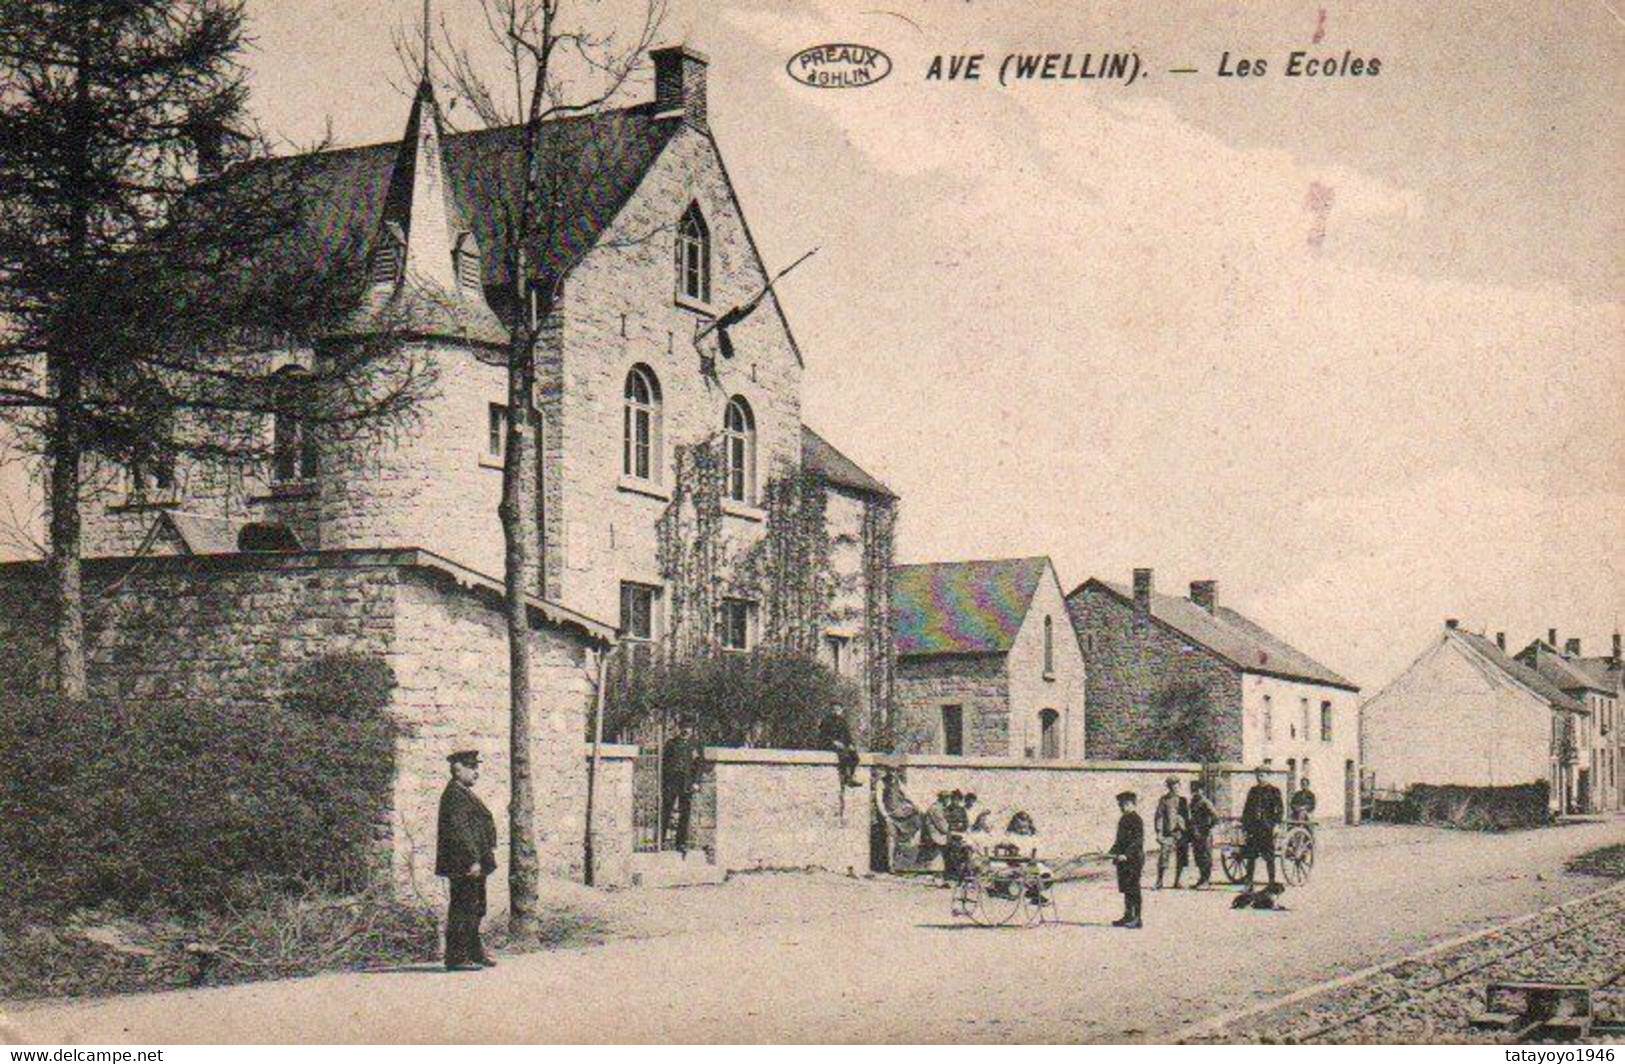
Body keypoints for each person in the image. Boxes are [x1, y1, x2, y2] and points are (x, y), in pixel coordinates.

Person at [435, 750, 498, 971]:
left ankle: (473, 952)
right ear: (457, 768)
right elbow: (460, 831)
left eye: (476, 767)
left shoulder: (463, 792)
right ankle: (456, 957)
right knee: (463, 907)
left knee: (476, 906)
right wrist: (473, 859)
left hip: (474, 862)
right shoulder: (454, 795)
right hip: (464, 863)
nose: (476, 772)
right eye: (471, 767)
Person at [1241, 766, 1284, 891]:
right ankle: (1249, 883)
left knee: (1269, 857)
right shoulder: (1253, 791)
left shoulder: (1274, 791)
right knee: (1250, 856)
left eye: (1262, 775)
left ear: (1268, 776)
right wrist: (1245, 825)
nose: (1259, 778)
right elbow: (1247, 809)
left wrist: (1276, 825)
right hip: (1253, 828)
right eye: (1257, 775)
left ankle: (1271, 882)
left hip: (1267, 828)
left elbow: (1279, 810)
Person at [661, 716, 700, 853]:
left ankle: (681, 843)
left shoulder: (695, 744)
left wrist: (696, 782)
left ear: (692, 729)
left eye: (688, 728)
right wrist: (664, 782)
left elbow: (698, 766)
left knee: (685, 812)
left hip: (687, 783)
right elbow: (664, 764)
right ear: (679, 728)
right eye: (683, 727)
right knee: (666, 810)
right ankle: (660, 840)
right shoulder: (671, 744)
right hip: (672, 782)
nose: (686, 730)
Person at [1108, 790, 1145, 928]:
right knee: (1126, 888)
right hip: (1122, 859)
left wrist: (1126, 855)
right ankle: (1128, 915)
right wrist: (1111, 852)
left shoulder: (1136, 819)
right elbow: (1119, 841)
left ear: (1131, 804)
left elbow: (1137, 841)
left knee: (1133, 888)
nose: (1121, 807)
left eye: (1123, 804)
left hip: (1133, 859)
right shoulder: (1123, 819)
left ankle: (1137, 918)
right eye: (1119, 805)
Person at [1153, 776, 1189, 889]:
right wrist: (1159, 832)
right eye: (1173, 786)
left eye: (1177, 785)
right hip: (1168, 833)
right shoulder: (1164, 800)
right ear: (1169, 787)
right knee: (1164, 857)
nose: (1175, 788)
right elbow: (1159, 817)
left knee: (1182, 858)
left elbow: (1188, 817)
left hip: (1181, 833)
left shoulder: (1183, 800)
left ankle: (1177, 881)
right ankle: (1159, 881)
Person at [819, 706, 863, 787]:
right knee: (844, 755)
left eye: (838, 710)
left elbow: (847, 735)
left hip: (842, 744)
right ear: (830, 711)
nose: (836, 712)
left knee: (855, 756)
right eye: (834, 710)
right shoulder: (826, 721)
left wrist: (850, 744)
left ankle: (851, 776)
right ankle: (846, 777)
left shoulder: (843, 722)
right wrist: (833, 742)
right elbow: (823, 735)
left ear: (842, 711)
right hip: (829, 744)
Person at [1187, 779, 1218, 888]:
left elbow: (1215, 817)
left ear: (1202, 790)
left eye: (1197, 790)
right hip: (1195, 833)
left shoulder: (1205, 802)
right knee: (1198, 856)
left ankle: (1206, 880)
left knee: (1206, 857)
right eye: (1193, 790)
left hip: (1204, 833)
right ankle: (1201, 879)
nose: (1195, 792)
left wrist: (1208, 828)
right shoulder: (1192, 802)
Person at [921, 790, 954, 874]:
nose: (948, 801)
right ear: (944, 799)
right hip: (934, 835)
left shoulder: (938, 808)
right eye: (948, 799)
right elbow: (943, 827)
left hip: (935, 834)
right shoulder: (936, 809)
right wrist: (951, 830)